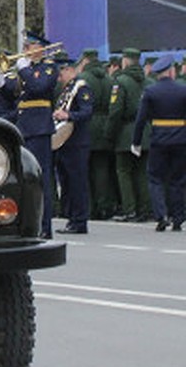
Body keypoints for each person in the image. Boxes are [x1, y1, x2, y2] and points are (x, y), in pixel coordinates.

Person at [0, 31, 58, 238]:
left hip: (40, 127)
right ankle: (29, 222)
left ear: (40, 47)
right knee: (26, 177)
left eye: (29, 46)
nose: (25, 50)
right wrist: (0, 80)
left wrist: (23, 70)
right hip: (25, 126)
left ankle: (44, 225)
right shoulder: (29, 70)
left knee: (41, 177)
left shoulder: (49, 67)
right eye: (25, 46)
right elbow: (17, 94)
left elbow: (38, 87)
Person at [131, 53, 186, 231]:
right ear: (171, 71)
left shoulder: (151, 91)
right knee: (177, 179)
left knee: (155, 178)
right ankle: (178, 217)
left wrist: (136, 142)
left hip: (159, 139)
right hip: (180, 139)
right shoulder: (183, 90)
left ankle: (161, 215)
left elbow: (140, 120)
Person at [51, 51, 93, 234]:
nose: (59, 77)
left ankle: (79, 220)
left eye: (61, 73)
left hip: (77, 142)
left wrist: (68, 115)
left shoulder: (81, 88)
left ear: (69, 70)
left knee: (77, 183)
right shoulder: (67, 89)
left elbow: (87, 112)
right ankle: (71, 218)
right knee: (67, 182)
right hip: (65, 143)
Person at [108, 47, 151, 222]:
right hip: (146, 132)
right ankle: (145, 209)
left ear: (125, 61)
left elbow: (116, 111)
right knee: (142, 171)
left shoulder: (121, 82)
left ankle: (129, 209)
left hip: (126, 132)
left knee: (124, 171)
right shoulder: (148, 82)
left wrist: (109, 133)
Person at [78, 48, 117, 220]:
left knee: (86, 169)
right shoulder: (109, 79)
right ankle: (105, 205)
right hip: (105, 124)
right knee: (103, 169)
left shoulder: (83, 79)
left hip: (88, 125)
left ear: (85, 60)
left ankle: (91, 207)